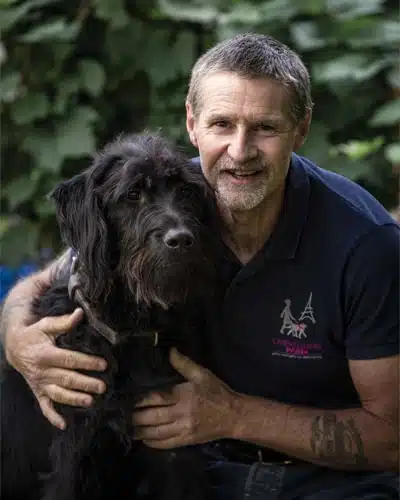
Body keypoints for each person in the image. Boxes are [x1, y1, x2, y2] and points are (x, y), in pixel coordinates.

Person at [1, 33, 399, 499]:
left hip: (325, 483)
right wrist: (15, 340)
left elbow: (392, 439)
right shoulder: (174, 191)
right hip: (208, 473)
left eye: (265, 128)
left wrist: (233, 414)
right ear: (193, 124)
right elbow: (56, 275)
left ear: (302, 128)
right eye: (222, 124)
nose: (240, 150)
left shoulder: (365, 245)